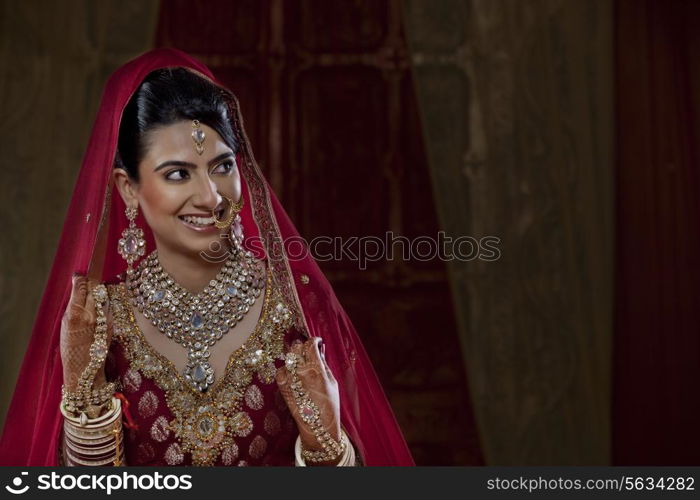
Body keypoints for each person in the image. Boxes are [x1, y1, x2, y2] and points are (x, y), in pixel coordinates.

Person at [0, 49, 414, 466]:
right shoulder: (98, 324)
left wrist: (326, 448)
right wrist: (85, 398)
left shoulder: (297, 310)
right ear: (128, 187)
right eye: (178, 174)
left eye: (221, 167)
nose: (210, 197)